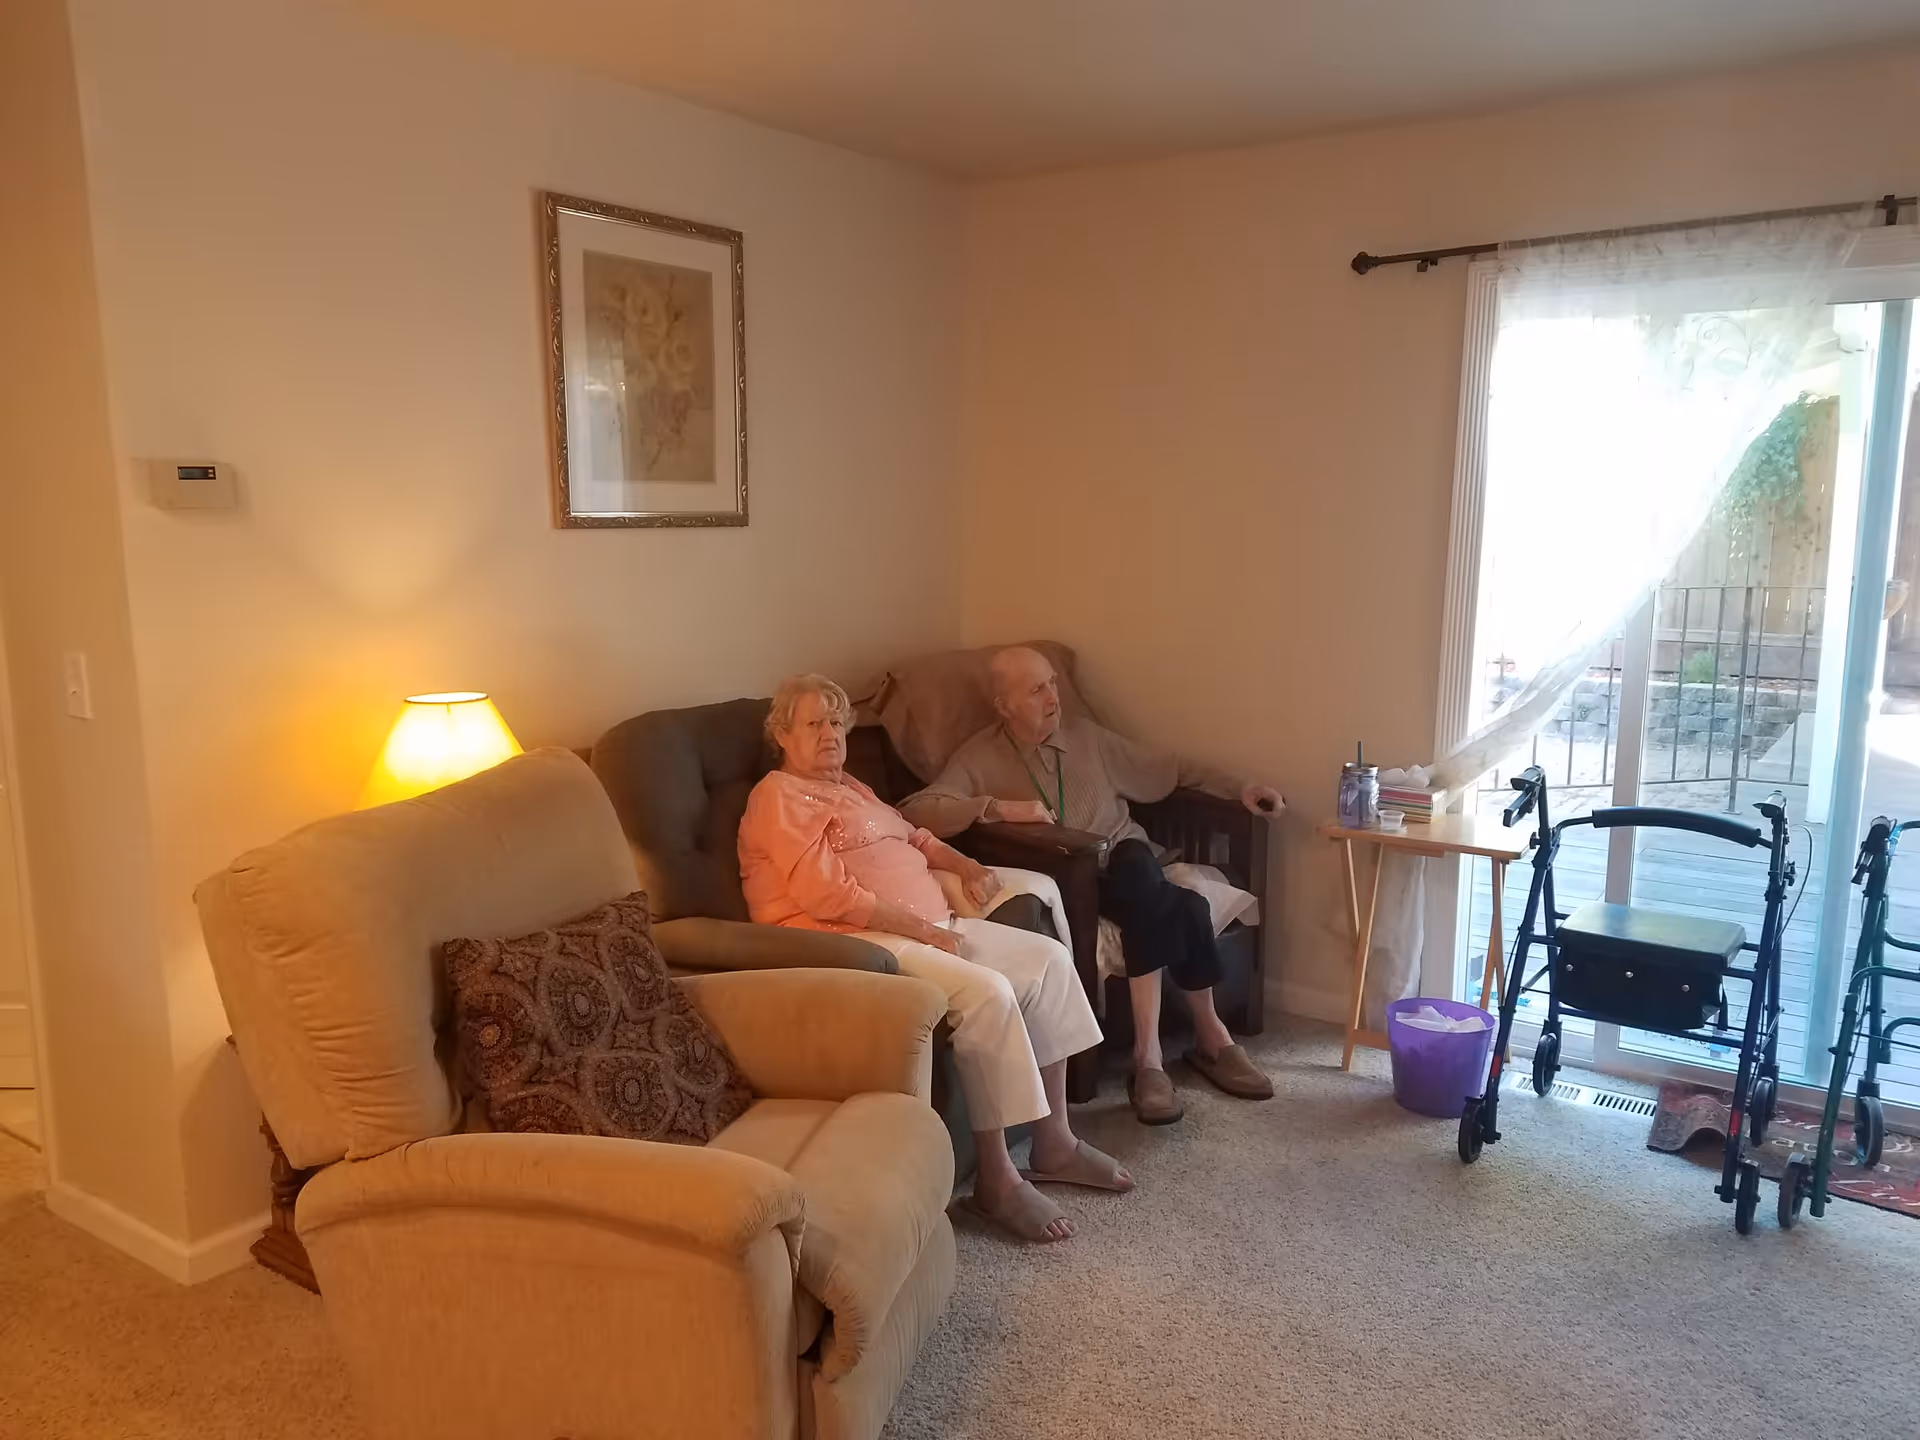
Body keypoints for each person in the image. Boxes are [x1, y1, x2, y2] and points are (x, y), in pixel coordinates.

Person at [738, 673, 1127, 1244]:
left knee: (1047, 959)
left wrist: (965, 866)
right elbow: (827, 896)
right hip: (843, 942)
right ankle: (995, 1181)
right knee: (986, 992)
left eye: (837, 721)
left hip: (922, 927)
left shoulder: (851, 787)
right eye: (814, 722)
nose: (831, 733)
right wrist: (920, 928)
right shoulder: (779, 796)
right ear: (782, 734)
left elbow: (916, 837)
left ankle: (1056, 1142)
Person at [899, 647, 1286, 1126]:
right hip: (1075, 882)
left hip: (1128, 861)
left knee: (1143, 874)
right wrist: (995, 807)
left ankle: (1149, 1059)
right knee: (1183, 904)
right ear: (1004, 706)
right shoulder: (980, 755)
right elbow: (919, 808)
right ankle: (1210, 1038)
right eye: (1036, 689)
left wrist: (1240, 787)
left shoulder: (1087, 738)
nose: (1052, 697)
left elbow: (1170, 768)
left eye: (1053, 683)